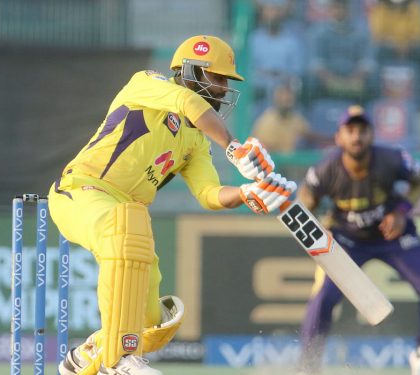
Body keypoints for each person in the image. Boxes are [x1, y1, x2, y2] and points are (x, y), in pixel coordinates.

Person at [48, 35, 297, 375]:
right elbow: (187, 103)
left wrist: (248, 193)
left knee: (154, 321)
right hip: (82, 191)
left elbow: (209, 193)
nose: (224, 88)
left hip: (127, 215)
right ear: (192, 70)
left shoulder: (195, 140)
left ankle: (86, 357)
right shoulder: (146, 84)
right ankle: (117, 359)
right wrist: (234, 147)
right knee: (125, 226)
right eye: (218, 78)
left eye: (227, 81)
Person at [296, 105, 420, 375]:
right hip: (347, 240)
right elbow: (305, 201)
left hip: (393, 235)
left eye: (363, 131)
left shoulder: (392, 159)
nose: (357, 137)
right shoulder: (325, 169)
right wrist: (319, 229)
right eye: (350, 131)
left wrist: (401, 212)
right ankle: (308, 367)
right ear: (339, 137)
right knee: (323, 300)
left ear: (372, 135)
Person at [251, 82, 330, 152]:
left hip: (293, 164)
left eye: (289, 95)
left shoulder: (296, 118)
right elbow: (265, 151)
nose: (286, 98)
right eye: (282, 94)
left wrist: (331, 141)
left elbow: (310, 135)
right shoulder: (266, 122)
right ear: (275, 97)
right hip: (274, 166)